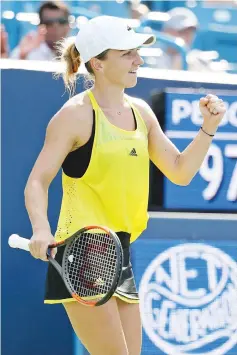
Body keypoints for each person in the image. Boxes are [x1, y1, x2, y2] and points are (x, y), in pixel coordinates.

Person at [24, 15, 226, 355]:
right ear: (97, 63)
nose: (139, 60)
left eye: (137, 52)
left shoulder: (142, 112)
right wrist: (41, 230)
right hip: (82, 252)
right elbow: (36, 182)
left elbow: (180, 172)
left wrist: (208, 128)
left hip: (121, 254)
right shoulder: (74, 115)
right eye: (127, 53)